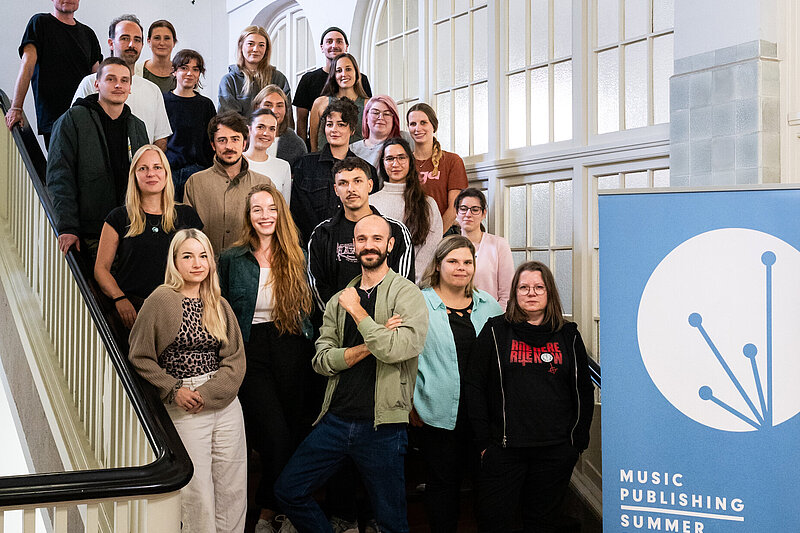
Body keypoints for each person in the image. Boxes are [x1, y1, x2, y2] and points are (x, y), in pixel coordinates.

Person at [274, 214, 428, 533]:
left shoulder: (407, 294)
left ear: (390, 245)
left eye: (376, 239)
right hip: (336, 420)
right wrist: (374, 342)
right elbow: (321, 360)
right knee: (289, 490)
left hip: (383, 426)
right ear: (353, 246)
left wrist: (358, 313)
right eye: (361, 239)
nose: (368, 245)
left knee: (392, 523)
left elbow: (398, 349)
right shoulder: (338, 299)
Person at [128, 228, 247, 533]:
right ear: (175, 261)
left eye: (203, 256)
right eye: (188, 256)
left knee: (233, 488)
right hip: (185, 403)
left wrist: (209, 392)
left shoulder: (219, 303)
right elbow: (140, 356)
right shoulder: (161, 299)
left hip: (223, 401)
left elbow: (235, 359)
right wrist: (173, 389)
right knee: (198, 493)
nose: (197, 263)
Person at [465, 261, 594, 533]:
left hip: (555, 450)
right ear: (515, 293)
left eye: (539, 287)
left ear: (549, 293)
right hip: (504, 449)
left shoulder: (568, 335)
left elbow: (583, 389)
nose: (531, 293)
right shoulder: (495, 331)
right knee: (494, 521)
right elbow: (474, 386)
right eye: (524, 287)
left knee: (543, 523)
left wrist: (576, 442)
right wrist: (484, 443)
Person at [218, 183, 314, 533]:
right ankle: (268, 509)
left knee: (294, 432)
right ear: (248, 216)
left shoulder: (297, 254)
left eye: (271, 208)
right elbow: (219, 308)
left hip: (293, 344)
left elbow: (311, 308)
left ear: (281, 213)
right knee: (274, 434)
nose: (265, 215)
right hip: (250, 347)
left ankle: (281, 509)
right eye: (257, 209)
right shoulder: (231, 258)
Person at [411, 235, 503, 532]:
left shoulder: (488, 305)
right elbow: (405, 357)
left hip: (483, 415)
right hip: (436, 411)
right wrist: (410, 403)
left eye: (467, 262)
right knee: (442, 484)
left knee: (486, 484)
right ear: (438, 265)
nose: (461, 267)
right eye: (452, 261)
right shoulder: (418, 303)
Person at [46, 57, 149, 259]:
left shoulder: (137, 126)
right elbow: (59, 177)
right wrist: (67, 226)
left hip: (132, 230)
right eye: (111, 79)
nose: (118, 85)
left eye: (124, 80)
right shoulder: (73, 119)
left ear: (130, 87)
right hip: (90, 233)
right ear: (97, 84)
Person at [94, 145, 203, 328]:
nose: (151, 173)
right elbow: (101, 268)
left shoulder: (187, 215)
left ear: (166, 173)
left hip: (179, 308)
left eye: (157, 167)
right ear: (134, 176)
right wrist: (119, 298)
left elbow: (202, 265)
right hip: (133, 310)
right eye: (143, 168)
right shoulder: (118, 217)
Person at [308, 157, 414, 312]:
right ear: (336, 190)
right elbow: (317, 286)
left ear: (370, 185)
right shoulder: (322, 233)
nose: (351, 189)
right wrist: (340, 318)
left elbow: (403, 285)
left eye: (357, 181)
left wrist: (373, 321)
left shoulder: (396, 231)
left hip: (384, 321)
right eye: (343, 183)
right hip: (337, 321)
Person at [6, 0, 101, 148]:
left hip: (86, 118)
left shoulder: (88, 34)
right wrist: (16, 108)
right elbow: (27, 66)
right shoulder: (40, 23)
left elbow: (98, 79)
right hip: (54, 120)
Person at [73, 14, 172, 150]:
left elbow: (160, 138)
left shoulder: (152, 90)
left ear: (142, 45)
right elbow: (74, 130)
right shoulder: (90, 83)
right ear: (111, 43)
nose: (131, 44)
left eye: (137, 40)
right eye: (125, 38)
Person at [290, 98, 378, 246]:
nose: (334, 130)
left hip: (352, 245)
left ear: (352, 130)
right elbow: (298, 211)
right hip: (311, 244)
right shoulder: (305, 165)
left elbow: (368, 214)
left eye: (341, 125)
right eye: (329, 124)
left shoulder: (366, 170)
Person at [184, 112, 274, 254]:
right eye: (222, 140)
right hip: (206, 264)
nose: (229, 146)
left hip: (250, 264)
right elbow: (187, 235)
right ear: (213, 145)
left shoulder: (263, 184)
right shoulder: (195, 183)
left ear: (244, 143)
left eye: (235, 139)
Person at [370, 137, 443, 283]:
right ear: (383, 163)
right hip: (377, 283)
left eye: (401, 157)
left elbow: (431, 246)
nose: (395, 164)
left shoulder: (427, 203)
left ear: (410, 161)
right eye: (390, 158)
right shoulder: (370, 202)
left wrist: (410, 282)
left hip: (415, 285)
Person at [294, 27, 372, 146]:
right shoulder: (310, 82)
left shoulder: (363, 84)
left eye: (339, 41)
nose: (334, 45)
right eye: (329, 41)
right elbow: (302, 121)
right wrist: (304, 151)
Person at [163, 49, 217, 202]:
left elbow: (211, 140)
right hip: (168, 171)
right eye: (184, 68)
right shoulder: (162, 101)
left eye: (195, 69)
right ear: (174, 71)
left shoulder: (206, 105)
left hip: (198, 171)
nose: (189, 73)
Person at [407, 103, 468, 230]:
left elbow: (454, 208)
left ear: (434, 126)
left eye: (423, 123)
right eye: (413, 124)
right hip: (412, 232)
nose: (417, 128)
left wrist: (436, 236)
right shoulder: (404, 162)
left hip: (444, 232)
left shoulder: (452, 161)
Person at [455, 188, 515, 309]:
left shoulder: (499, 245)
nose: (468, 214)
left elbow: (507, 294)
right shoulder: (449, 246)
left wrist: (497, 317)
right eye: (463, 209)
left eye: (475, 210)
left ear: (483, 214)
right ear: (456, 212)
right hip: (456, 313)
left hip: (492, 314)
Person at [219, 26, 291, 117]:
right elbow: (229, 119)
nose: (255, 49)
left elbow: (287, 117)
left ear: (266, 49)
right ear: (241, 46)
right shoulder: (229, 80)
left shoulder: (279, 78)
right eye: (250, 44)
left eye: (261, 45)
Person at [309, 54, 369, 152]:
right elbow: (313, 144)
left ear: (356, 73)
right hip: (324, 159)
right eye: (339, 70)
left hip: (358, 159)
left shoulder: (368, 105)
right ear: (333, 75)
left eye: (348, 69)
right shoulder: (320, 103)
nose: (344, 74)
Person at [349, 95, 414, 168]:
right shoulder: (352, 149)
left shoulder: (406, 138)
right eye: (375, 113)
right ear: (366, 117)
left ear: (394, 119)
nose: (381, 118)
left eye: (386, 114)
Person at [243, 108, 292, 203]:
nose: (266, 133)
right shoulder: (236, 162)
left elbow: (285, 207)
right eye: (261, 127)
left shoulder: (283, 166)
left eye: (272, 129)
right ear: (249, 129)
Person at [252, 84, 307, 166]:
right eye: (268, 105)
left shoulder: (296, 144)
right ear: (257, 107)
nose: (274, 111)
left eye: (279, 106)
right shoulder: (242, 138)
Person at [139, 19, 177, 93]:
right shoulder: (136, 71)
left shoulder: (183, 72)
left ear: (174, 42)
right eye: (157, 38)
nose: (162, 43)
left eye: (167, 38)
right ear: (149, 41)